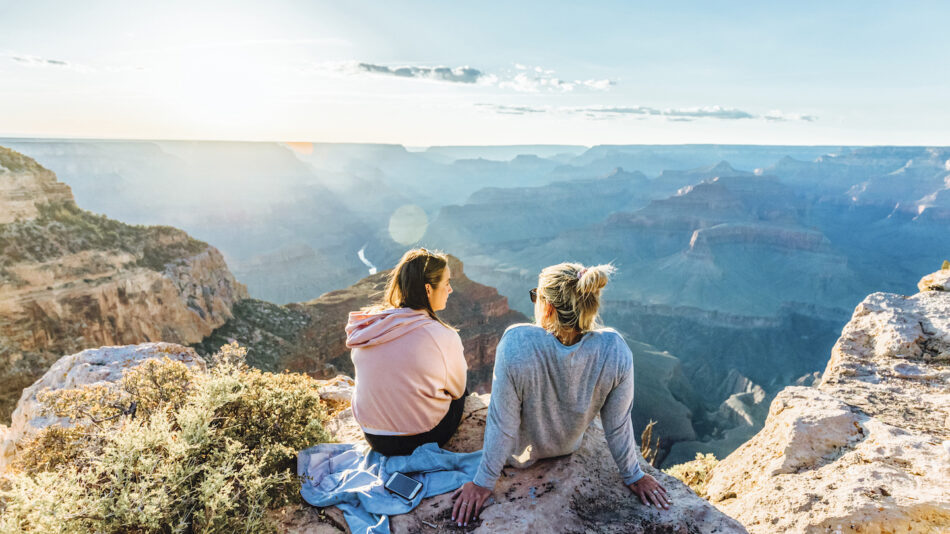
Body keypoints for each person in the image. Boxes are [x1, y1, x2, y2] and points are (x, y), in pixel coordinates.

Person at [451, 262, 669, 526]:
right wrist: (634, 475)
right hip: (569, 447)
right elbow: (617, 424)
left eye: (536, 296)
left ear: (548, 307)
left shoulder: (516, 343)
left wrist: (483, 482)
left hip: (521, 455)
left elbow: (503, 425)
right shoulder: (615, 349)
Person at [345, 248, 468, 456]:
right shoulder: (441, 335)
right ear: (428, 289)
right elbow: (456, 390)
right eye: (447, 283)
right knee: (462, 388)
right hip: (420, 438)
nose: (450, 290)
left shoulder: (370, 326)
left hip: (373, 436)